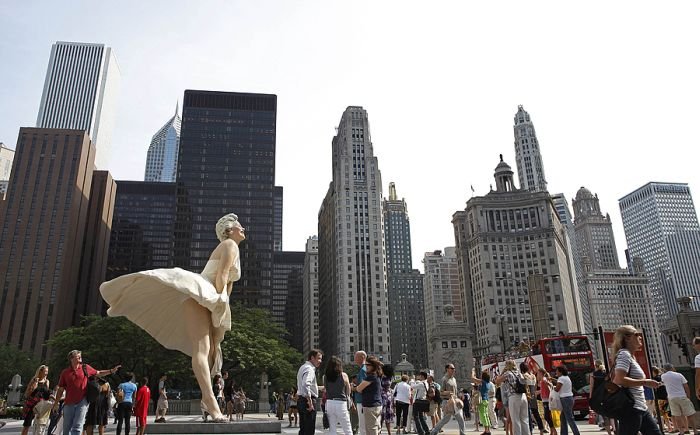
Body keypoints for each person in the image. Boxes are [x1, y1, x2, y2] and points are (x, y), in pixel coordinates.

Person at [100, 213, 246, 422]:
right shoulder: (230, 244)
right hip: (202, 293)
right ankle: (210, 401)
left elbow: (228, 283)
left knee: (211, 352)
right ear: (229, 230)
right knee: (202, 349)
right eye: (239, 226)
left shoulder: (234, 247)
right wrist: (219, 303)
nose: (243, 228)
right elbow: (222, 275)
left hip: (209, 297)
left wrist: (221, 309)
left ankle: (208, 399)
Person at [52, 350, 120, 435]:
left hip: (82, 402)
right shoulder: (65, 372)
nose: (80, 357)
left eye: (80, 355)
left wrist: (111, 371)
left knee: (78, 426)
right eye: (78, 356)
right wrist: (56, 403)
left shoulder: (85, 367)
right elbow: (60, 389)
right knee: (66, 427)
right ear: (71, 358)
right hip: (69, 402)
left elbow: (98, 373)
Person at [611, 325, 662, 435]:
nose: (640, 337)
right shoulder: (624, 354)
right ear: (627, 338)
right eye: (636, 334)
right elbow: (619, 379)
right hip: (631, 408)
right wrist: (645, 382)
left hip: (640, 407)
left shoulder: (630, 356)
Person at [430, 363, 467, 435]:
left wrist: (459, 395)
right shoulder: (444, 379)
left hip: (455, 401)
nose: (454, 370)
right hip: (447, 402)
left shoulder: (454, 379)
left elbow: (455, 391)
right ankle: (434, 432)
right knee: (446, 419)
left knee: (461, 418)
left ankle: (462, 433)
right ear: (447, 369)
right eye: (452, 368)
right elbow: (441, 392)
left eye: (454, 368)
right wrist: (448, 393)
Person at [661, 363, 696, 434]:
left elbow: (664, 384)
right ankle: (695, 431)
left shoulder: (663, 376)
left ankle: (681, 431)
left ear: (664, 369)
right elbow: (686, 386)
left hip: (671, 398)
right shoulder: (679, 375)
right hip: (682, 396)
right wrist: (688, 396)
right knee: (689, 414)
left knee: (677, 415)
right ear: (672, 367)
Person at [324, 356, 353, 435]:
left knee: (332, 429)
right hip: (341, 403)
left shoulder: (326, 376)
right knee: (347, 428)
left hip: (329, 402)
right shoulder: (343, 375)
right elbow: (348, 391)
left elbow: (326, 389)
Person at [355, 356, 384, 435]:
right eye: (366, 364)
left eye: (368, 365)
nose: (366, 366)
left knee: (371, 429)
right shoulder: (377, 375)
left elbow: (359, 389)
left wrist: (354, 387)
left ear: (373, 366)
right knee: (377, 428)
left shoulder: (371, 377)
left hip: (370, 406)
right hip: (377, 405)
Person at [496, 360, 527, 435]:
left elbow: (497, 381)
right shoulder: (519, 373)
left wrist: (503, 371)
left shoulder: (508, 373)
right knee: (524, 419)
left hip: (514, 396)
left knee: (515, 420)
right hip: (523, 396)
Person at [297, 349, 323, 435]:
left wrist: (319, 388)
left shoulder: (303, 367)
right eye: (318, 358)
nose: (320, 361)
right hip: (307, 400)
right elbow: (305, 384)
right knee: (309, 429)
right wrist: (310, 401)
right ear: (312, 358)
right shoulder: (310, 369)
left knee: (303, 428)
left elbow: (304, 385)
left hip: (301, 400)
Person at [22, 365, 51, 435]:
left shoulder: (47, 381)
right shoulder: (35, 379)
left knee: (39, 425)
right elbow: (27, 393)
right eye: (45, 371)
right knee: (27, 425)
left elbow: (47, 396)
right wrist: (34, 386)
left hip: (40, 405)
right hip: (32, 404)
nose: (46, 373)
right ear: (40, 372)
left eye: (47, 372)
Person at [589, 361, 614, 435]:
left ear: (595, 366)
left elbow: (591, 386)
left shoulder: (593, 375)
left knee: (604, 415)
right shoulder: (606, 374)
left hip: (598, 396)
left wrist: (590, 397)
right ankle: (615, 428)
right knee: (612, 413)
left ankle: (609, 433)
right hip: (607, 394)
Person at [553, 366, 579, 435]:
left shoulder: (561, 378)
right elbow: (559, 382)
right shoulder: (566, 377)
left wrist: (552, 386)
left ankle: (576, 433)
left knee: (569, 418)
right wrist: (551, 379)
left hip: (565, 399)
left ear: (560, 372)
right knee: (563, 418)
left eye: (557, 371)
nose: (556, 372)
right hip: (569, 398)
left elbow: (557, 389)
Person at [521, 362, 544, 435]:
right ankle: (541, 430)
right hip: (533, 395)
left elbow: (524, 387)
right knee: (536, 413)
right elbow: (535, 386)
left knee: (528, 414)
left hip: (526, 396)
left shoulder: (523, 376)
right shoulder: (533, 376)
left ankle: (530, 431)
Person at [652, 367, 673, 433]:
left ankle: (669, 427)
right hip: (665, 398)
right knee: (667, 413)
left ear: (653, 372)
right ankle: (672, 426)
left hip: (660, 399)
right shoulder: (661, 377)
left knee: (664, 414)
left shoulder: (655, 379)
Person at [471, 370, 493, 435]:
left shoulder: (483, 382)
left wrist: (472, 372)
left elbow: (473, 379)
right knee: (486, 415)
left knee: (483, 415)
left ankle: (486, 431)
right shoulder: (488, 383)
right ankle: (487, 430)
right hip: (486, 400)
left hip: (482, 400)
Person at [538, 368, 556, 435]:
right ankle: (552, 431)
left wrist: (550, 395)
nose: (537, 374)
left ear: (541, 373)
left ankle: (554, 431)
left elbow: (550, 386)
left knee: (546, 416)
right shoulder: (543, 379)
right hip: (545, 399)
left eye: (538, 373)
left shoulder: (543, 379)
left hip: (546, 400)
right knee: (548, 416)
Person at [354, 351, 368, 435]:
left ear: (362, 357)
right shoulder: (365, 368)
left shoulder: (363, 370)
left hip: (362, 401)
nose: (354, 359)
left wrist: (354, 388)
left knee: (362, 427)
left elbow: (362, 387)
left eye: (356, 357)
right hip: (365, 401)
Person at [380, 365, 395, 435]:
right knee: (387, 416)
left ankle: (379, 432)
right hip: (389, 396)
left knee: (381, 416)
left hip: (383, 397)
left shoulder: (382, 378)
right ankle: (389, 433)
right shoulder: (390, 377)